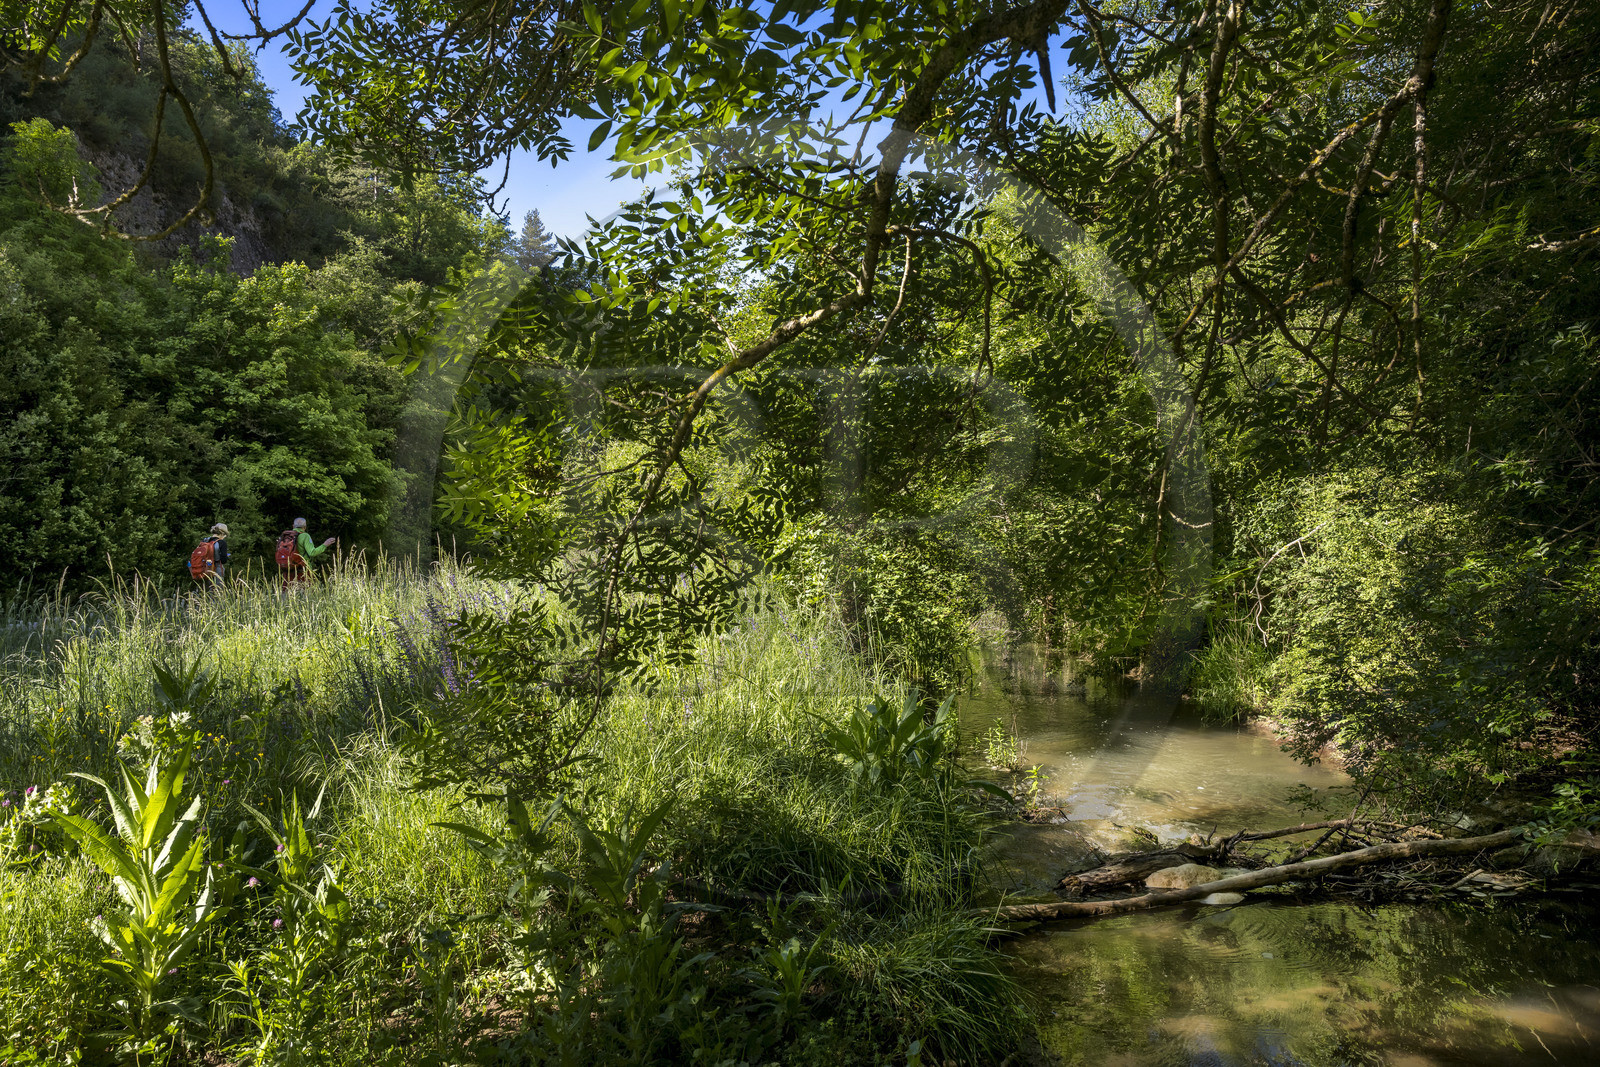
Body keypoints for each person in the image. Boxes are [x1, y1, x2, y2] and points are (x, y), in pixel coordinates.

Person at [276, 517, 336, 588]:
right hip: (302, 569)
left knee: (287, 592)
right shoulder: (305, 536)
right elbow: (312, 552)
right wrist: (325, 544)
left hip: (288, 568)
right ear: (304, 527)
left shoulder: (286, 537)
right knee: (307, 593)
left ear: (293, 526)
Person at [188, 523, 231, 588]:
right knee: (217, 592)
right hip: (216, 570)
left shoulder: (204, 541)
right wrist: (226, 556)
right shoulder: (222, 543)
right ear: (222, 533)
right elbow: (223, 560)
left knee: (205, 592)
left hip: (203, 570)